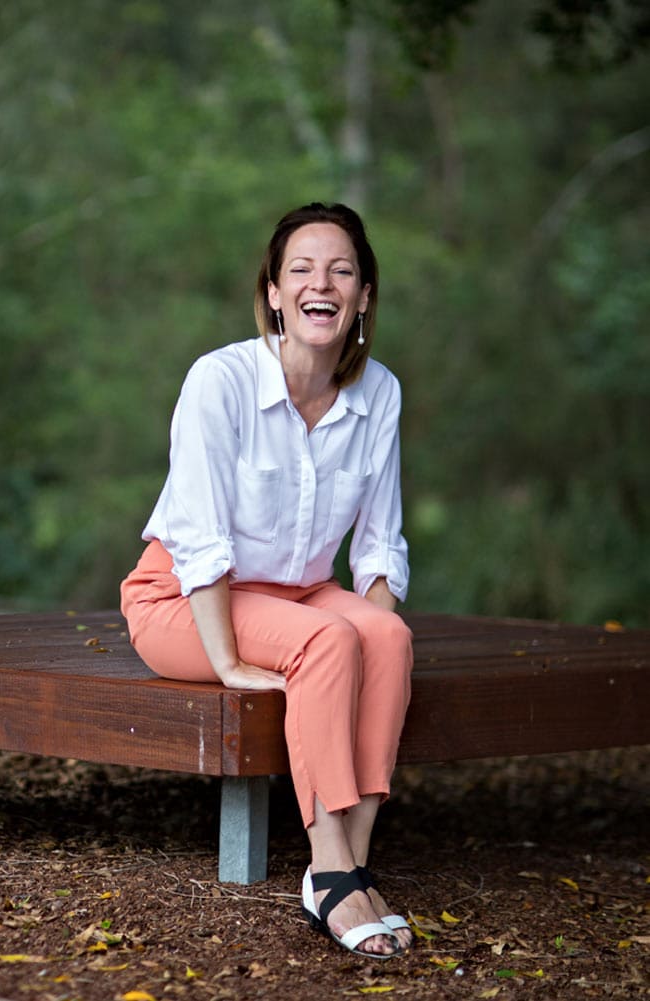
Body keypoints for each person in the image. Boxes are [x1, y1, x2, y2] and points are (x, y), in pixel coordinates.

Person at [119, 202, 414, 958]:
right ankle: (326, 871)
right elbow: (200, 538)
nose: (324, 284)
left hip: (299, 592)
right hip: (183, 600)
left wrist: (382, 644)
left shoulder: (378, 391)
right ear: (275, 293)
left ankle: (353, 856)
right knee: (325, 640)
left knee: (382, 631)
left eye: (342, 270)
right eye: (302, 270)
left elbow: (379, 547)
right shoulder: (219, 381)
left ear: (365, 295)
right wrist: (226, 662)